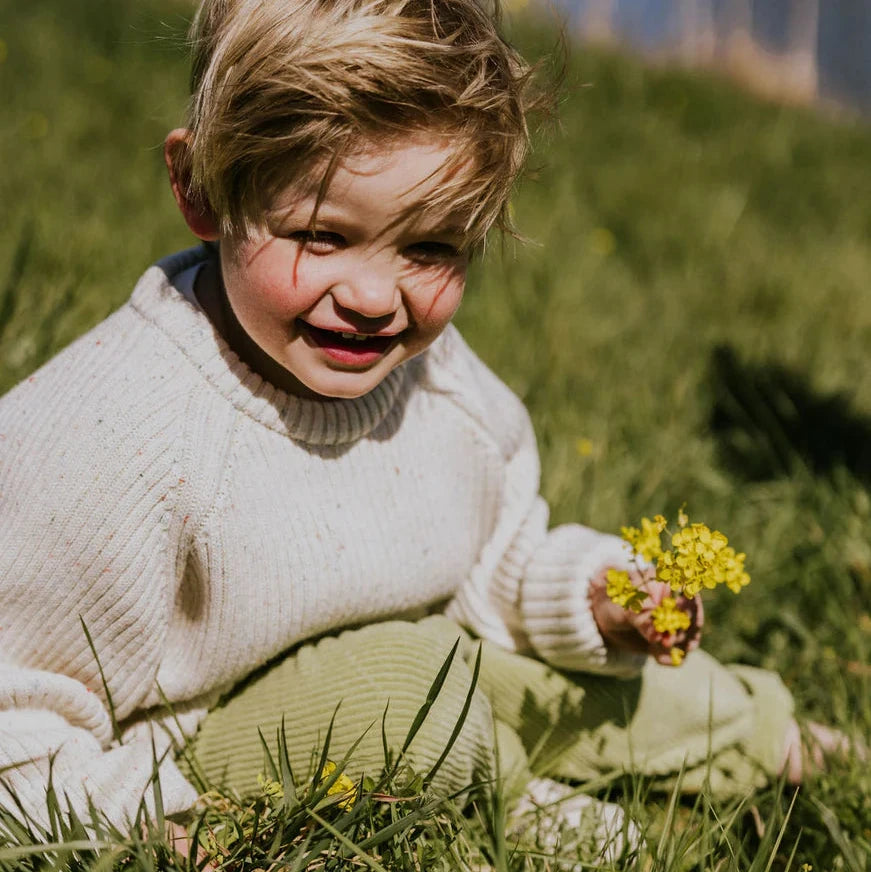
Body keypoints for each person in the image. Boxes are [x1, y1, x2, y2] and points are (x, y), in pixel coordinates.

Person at [0, 0, 834, 859]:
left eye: (431, 251)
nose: (372, 297)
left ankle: (762, 735)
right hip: (204, 761)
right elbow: (13, 715)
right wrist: (157, 828)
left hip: (429, 671)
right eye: (321, 237)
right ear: (201, 189)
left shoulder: (436, 381)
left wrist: (597, 601)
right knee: (407, 693)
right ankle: (523, 807)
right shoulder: (111, 441)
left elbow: (493, 558)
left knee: (601, 675)